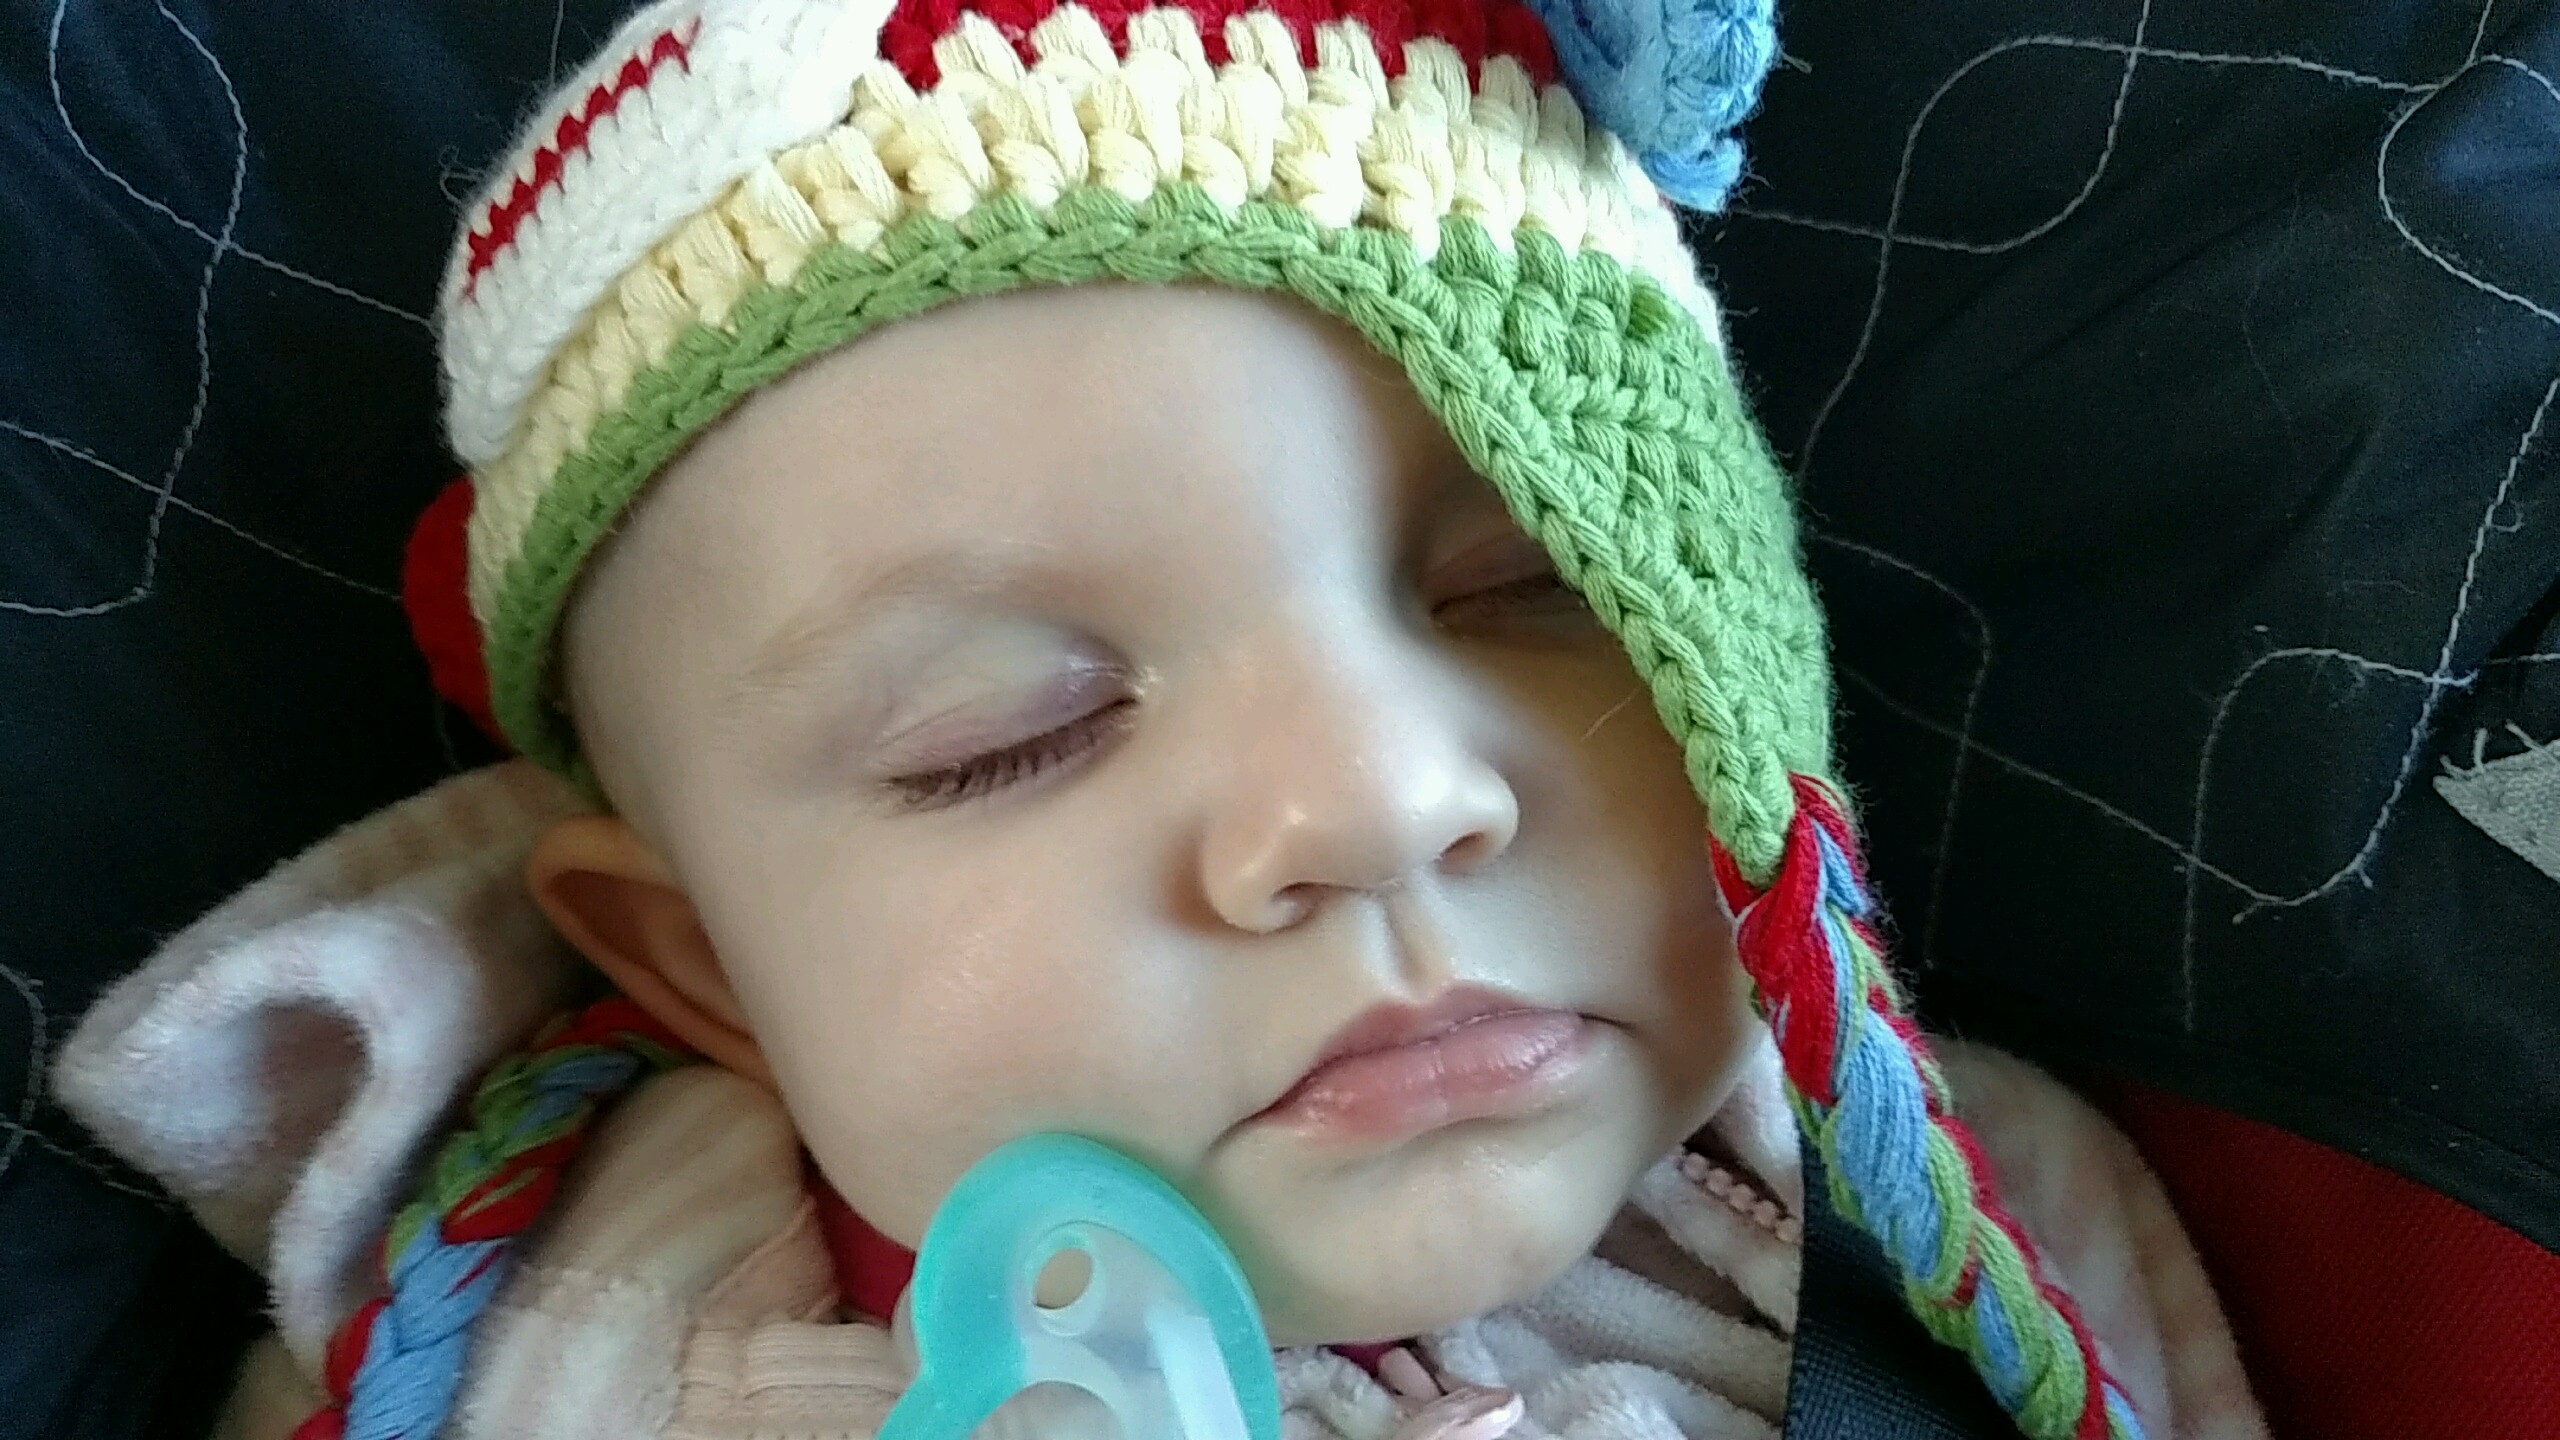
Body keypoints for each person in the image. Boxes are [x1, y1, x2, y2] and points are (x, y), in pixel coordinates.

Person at [54, 1, 2266, 1436]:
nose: (1378, 802)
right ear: (709, 967)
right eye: (1011, 732)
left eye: (1529, 595)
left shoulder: (1998, 1255)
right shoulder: (532, 1344)